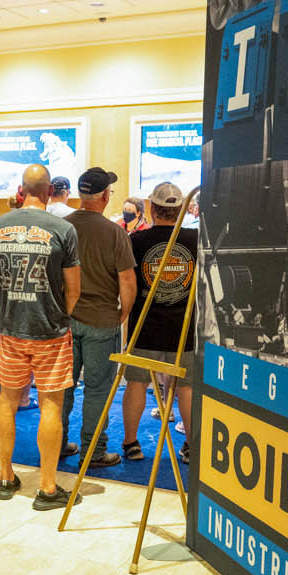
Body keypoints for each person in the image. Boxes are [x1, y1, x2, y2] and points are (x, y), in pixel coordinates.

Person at [0, 163, 79, 509]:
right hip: (50, 332)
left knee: (7, 400)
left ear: (21, 189)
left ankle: (5, 476)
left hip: (12, 329)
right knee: (50, 405)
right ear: (49, 192)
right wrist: (58, 314)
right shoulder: (63, 229)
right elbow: (73, 289)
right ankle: (47, 487)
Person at [63, 166, 136, 471]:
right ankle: (93, 452)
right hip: (102, 321)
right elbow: (127, 282)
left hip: (65, 322)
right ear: (105, 196)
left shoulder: (63, 227)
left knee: (63, 387)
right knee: (97, 390)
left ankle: (56, 443)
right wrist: (123, 314)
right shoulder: (115, 232)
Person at [123, 181, 199, 464]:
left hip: (145, 326)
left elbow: (128, 283)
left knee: (137, 382)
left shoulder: (136, 241)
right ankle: (191, 446)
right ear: (180, 210)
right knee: (186, 387)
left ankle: (131, 443)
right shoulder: (195, 239)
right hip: (184, 327)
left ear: (152, 208)